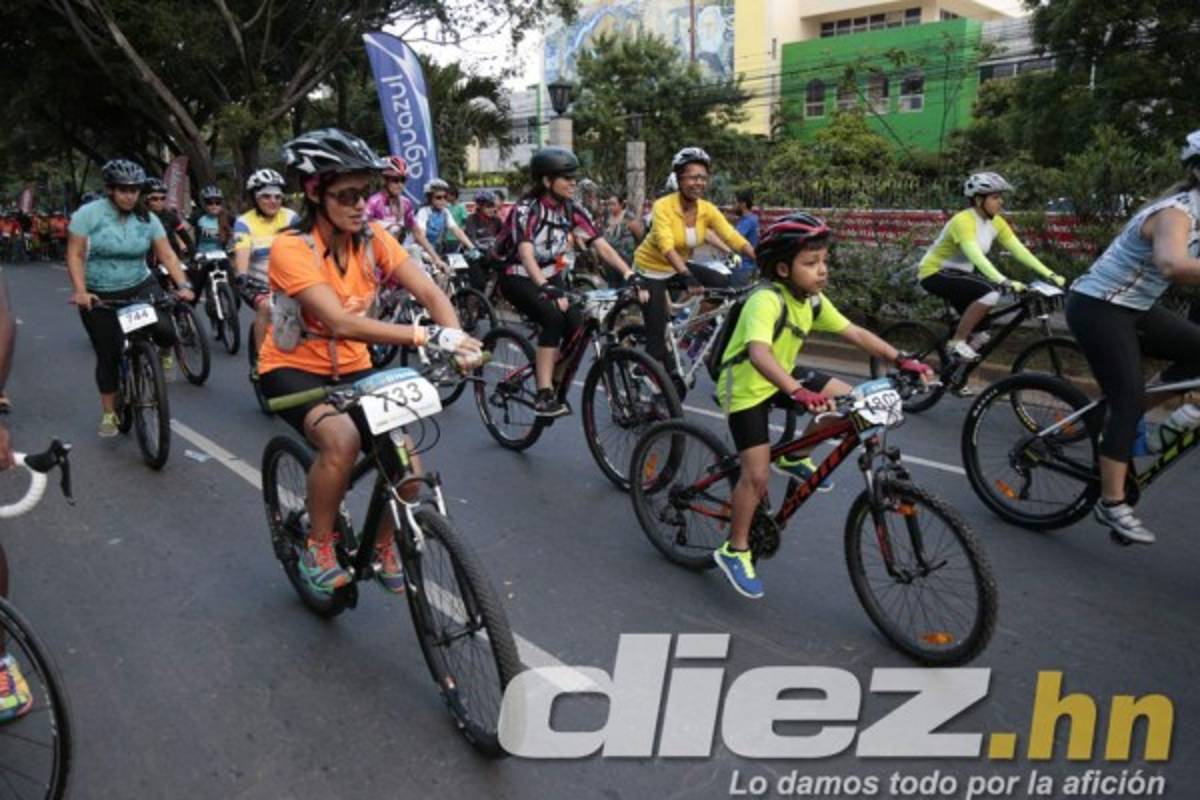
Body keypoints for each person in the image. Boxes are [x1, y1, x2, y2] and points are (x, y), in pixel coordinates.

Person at [261, 128, 482, 594]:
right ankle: (319, 546)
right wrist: (426, 333)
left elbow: (427, 290)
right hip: (293, 367)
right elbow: (340, 322)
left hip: (356, 367)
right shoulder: (290, 247)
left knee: (407, 464)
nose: (361, 204)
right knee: (340, 439)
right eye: (346, 195)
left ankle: (383, 546)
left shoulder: (374, 236)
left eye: (366, 192)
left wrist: (458, 340)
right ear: (314, 192)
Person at [711, 213, 931, 599]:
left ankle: (797, 456)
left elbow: (855, 332)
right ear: (783, 269)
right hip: (746, 385)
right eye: (811, 264)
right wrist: (798, 392)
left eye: (824, 261)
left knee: (856, 402)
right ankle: (736, 548)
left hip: (782, 374)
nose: (822, 271)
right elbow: (759, 353)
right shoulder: (765, 299)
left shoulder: (811, 300)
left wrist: (902, 359)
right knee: (756, 475)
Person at [1065, 130, 1200, 545]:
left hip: (1136, 307)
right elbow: (1173, 265)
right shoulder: (1176, 213)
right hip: (1098, 306)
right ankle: (1111, 503)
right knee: (1127, 399)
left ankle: (1152, 420)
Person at [495, 146, 642, 417]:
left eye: (574, 177)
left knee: (578, 325)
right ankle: (543, 393)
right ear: (546, 181)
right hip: (518, 276)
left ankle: (553, 379)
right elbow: (526, 253)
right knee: (553, 317)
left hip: (552, 275)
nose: (573, 183)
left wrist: (629, 274)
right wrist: (545, 287)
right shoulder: (527, 209)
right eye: (566, 177)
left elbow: (602, 246)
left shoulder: (572, 209)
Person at [66, 159, 194, 436]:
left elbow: (167, 254)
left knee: (165, 329)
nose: (129, 196)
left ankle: (161, 354)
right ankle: (110, 413)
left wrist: (183, 284)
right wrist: (80, 291)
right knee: (108, 354)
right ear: (110, 190)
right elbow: (75, 255)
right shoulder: (88, 215)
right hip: (99, 292)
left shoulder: (148, 217)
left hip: (139, 284)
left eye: (134, 190)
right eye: (123, 190)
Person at [917, 172, 1066, 364]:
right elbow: (976, 257)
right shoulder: (963, 221)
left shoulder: (996, 222)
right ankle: (957, 342)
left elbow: (1019, 251)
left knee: (982, 333)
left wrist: (1050, 273)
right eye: (995, 197)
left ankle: (954, 374)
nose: (1001, 202)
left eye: (1001, 197)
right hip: (934, 273)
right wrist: (1003, 280)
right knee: (990, 294)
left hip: (960, 275)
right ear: (979, 200)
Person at [633, 147, 756, 378]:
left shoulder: (706, 209)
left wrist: (762, 257)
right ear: (679, 179)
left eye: (702, 177)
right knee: (656, 341)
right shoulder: (663, 206)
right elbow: (665, 245)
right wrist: (687, 276)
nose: (698, 182)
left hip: (677, 266)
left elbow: (731, 236)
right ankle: (646, 378)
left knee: (722, 283)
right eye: (692, 177)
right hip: (650, 270)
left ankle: (689, 331)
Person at [233, 168, 298, 356]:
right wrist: (242, 275)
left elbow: (308, 247)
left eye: (278, 197)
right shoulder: (244, 223)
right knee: (265, 307)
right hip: (257, 283)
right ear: (255, 198)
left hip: (288, 280)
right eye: (266, 197)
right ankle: (262, 361)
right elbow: (242, 253)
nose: (273, 201)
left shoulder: (290, 217)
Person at [363, 155, 446, 270]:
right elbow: (359, 233)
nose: (400, 185)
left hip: (394, 256)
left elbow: (418, 234)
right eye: (395, 180)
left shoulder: (405, 203)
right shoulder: (374, 202)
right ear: (384, 180)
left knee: (416, 253)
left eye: (403, 180)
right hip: (374, 259)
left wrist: (437, 259)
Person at [189, 185, 235, 320]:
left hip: (221, 255)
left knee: (235, 290)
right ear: (204, 204)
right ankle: (188, 317)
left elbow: (242, 229)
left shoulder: (227, 217)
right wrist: (187, 248)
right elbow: (182, 231)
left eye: (217, 202)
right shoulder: (198, 216)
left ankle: (232, 313)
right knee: (195, 290)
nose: (214, 206)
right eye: (210, 202)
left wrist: (238, 241)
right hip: (203, 257)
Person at [414, 178, 474, 258]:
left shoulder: (445, 212)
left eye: (445, 197)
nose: (443, 200)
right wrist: (434, 257)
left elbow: (457, 231)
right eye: (438, 197)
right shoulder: (423, 212)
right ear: (429, 198)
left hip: (432, 250)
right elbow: (421, 236)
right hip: (417, 250)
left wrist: (472, 248)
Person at [143, 177, 193, 263]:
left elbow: (187, 239)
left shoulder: (170, 216)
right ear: (145, 199)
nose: (159, 202)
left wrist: (195, 255)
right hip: (149, 263)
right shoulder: (139, 217)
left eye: (163, 198)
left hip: (172, 260)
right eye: (154, 199)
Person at [733, 189, 759, 286]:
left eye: (735, 203)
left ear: (743, 204)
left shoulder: (747, 221)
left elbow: (734, 239)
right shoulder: (753, 218)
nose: (733, 206)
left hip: (743, 267)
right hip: (750, 267)